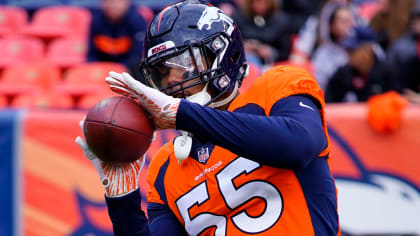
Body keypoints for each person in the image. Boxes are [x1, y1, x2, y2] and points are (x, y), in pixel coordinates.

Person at [76, 0, 340, 235]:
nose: (172, 80)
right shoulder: (165, 168)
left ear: (221, 54)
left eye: (183, 64)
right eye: (162, 72)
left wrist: (184, 114)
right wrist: (122, 197)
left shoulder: (278, 85)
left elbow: (298, 146)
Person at [87, 0, 147, 79]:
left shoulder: (137, 21)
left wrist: (120, 68)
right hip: (103, 70)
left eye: (118, 2)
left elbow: (138, 55)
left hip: (129, 71)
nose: (113, 5)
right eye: (109, 2)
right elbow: (91, 54)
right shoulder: (96, 21)